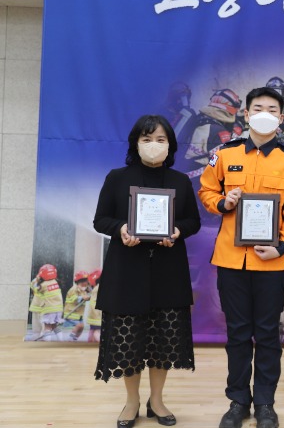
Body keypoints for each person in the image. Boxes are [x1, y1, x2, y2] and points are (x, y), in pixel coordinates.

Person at [198, 86, 284, 428]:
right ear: (246, 114)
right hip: (232, 260)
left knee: (268, 333)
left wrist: (282, 246)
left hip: (271, 261)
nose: (264, 114)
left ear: (281, 117)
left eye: (272, 109)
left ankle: (265, 403)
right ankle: (238, 401)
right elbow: (206, 190)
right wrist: (223, 202)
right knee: (238, 333)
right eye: (258, 108)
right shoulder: (224, 154)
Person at [93, 114, 201, 427]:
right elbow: (101, 220)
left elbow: (193, 221)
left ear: (170, 145)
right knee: (129, 339)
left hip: (168, 270)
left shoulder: (180, 181)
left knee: (162, 340)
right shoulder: (117, 178)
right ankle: (132, 402)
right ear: (136, 143)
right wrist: (121, 228)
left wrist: (178, 231)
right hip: (127, 270)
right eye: (147, 139)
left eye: (160, 139)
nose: (154, 145)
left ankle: (157, 400)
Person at [29, 264, 64, 341]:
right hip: (57, 309)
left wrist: (37, 279)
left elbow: (34, 288)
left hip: (47, 309)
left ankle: (46, 342)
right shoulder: (55, 282)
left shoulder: (43, 285)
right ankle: (61, 341)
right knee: (54, 326)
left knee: (46, 328)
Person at [64, 271, 92, 340]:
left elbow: (90, 293)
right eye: (84, 281)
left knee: (81, 327)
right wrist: (82, 298)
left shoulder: (84, 289)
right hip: (71, 313)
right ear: (79, 282)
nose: (86, 283)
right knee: (79, 326)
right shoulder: (74, 289)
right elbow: (74, 299)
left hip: (79, 314)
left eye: (86, 281)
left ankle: (74, 339)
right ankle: (70, 339)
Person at [85, 269, 103, 343]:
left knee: (96, 332)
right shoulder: (100, 287)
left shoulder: (97, 288)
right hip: (96, 315)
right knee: (92, 332)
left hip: (95, 316)